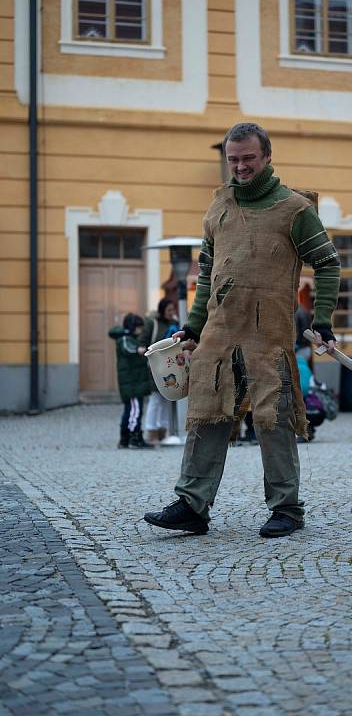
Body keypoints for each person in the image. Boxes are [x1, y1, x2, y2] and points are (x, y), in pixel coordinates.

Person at [144, 122, 340, 538]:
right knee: (205, 414)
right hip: (219, 331)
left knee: (274, 419)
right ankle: (192, 505)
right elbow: (207, 274)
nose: (241, 166)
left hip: (269, 334)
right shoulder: (218, 208)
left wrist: (323, 320)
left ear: (267, 157)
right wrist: (193, 326)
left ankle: (287, 509)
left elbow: (328, 264)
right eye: (234, 159)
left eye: (248, 158)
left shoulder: (295, 209)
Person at [108, 313, 154, 450]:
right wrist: (138, 350)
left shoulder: (130, 338)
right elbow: (129, 349)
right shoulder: (124, 339)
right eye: (139, 327)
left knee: (133, 410)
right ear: (132, 327)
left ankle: (126, 439)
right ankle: (133, 437)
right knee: (135, 411)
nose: (140, 330)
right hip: (131, 384)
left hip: (134, 383)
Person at [140, 297, 178, 445]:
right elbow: (143, 340)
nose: (171, 312)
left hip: (171, 366)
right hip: (155, 367)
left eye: (173, 310)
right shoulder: (152, 323)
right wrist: (142, 349)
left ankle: (163, 430)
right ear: (162, 310)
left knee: (167, 398)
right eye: (169, 310)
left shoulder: (174, 324)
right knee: (155, 399)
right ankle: (151, 431)